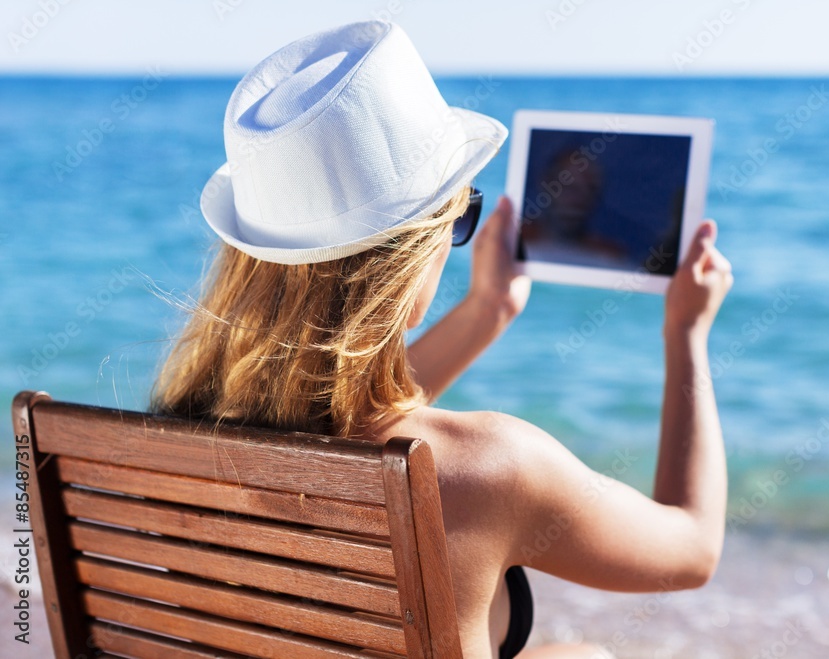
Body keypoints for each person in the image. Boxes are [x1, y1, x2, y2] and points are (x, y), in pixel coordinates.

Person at [151, 20, 732, 659]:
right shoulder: (490, 469)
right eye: (460, 219)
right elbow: (691, 549)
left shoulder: (175, 433)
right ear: (407, 259)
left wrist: (488, 309)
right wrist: (687, 332)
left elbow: (348, 415)